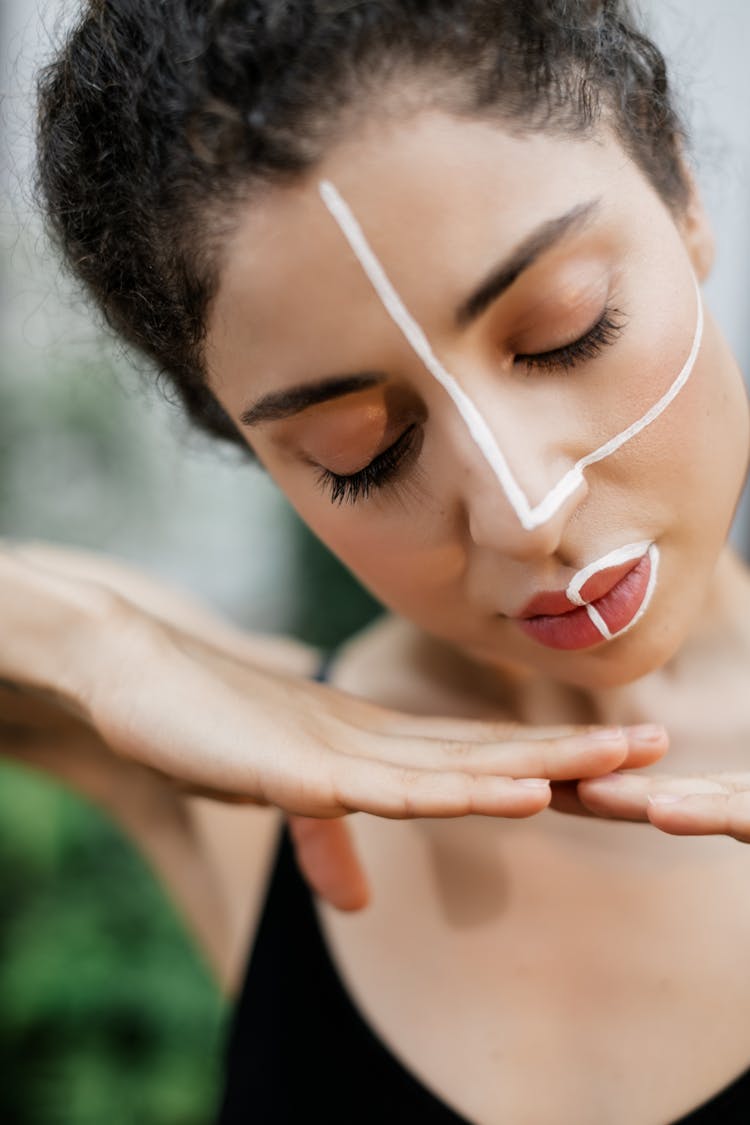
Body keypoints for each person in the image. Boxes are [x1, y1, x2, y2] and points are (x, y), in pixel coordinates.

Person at [3, 0, 750, 1120]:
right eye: (360, 453)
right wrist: (91, 649)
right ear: (247, 446)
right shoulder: (244, 769)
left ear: (680, 188)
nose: (522, 513)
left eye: (565, 329)